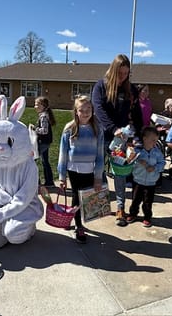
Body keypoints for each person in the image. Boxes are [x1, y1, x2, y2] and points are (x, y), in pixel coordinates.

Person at [91, 54, 143, 227]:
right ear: (113, 70)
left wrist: (138, 136)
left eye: (126, 73)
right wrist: (113, 129)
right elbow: (98, 110)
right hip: (101, 135)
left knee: (120, 173)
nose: (123, 76)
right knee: (98, 170)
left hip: (121, 138)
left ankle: (120, 208)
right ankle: (102, 203)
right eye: (120, 73)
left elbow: (136, 115)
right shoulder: (101, 86)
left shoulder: (131, 90)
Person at [57, 95, 104, 243]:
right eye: (81, 110)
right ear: (76, 112)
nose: (85, 113)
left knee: (85, 199)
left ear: (92, 110)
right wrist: (62, 176)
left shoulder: (97, 128)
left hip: (89, 170)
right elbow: (62, 153)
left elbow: (100, 154)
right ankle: (79, 226)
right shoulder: (69, 129)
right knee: (77, 197)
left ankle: (72, 218)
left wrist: (98, 177)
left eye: (88, 109)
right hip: (73, 170)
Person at [126, 126, 165, 227]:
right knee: (135, 199)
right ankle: (133, 214)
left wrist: (155, 168)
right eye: (153, 140)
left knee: (148, 201)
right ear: (144, 138)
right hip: (138, 180)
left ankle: (147, 217)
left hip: (151, 182)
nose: (155, 142)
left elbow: (162, 163)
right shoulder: (138, 151)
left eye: (156, 140)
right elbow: (129, 162)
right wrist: (136, 160)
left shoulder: (157, 152)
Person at [32, 96, 56, 187]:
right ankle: (49, 182)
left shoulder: (43, 116)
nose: (35, 106)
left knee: (33, 160)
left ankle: (35, 182)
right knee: (45, 161)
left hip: (43, 142)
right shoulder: (44, 115)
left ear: (43, 105)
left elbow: (44, 131)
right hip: (46, 142)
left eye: (37, 104)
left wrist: (34, 129)